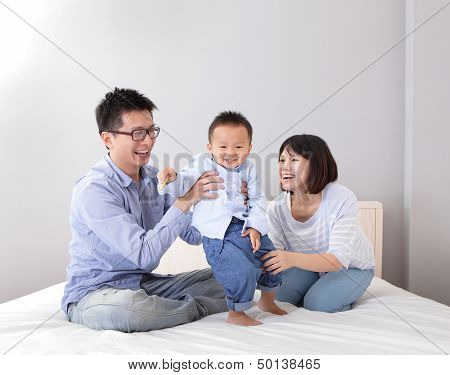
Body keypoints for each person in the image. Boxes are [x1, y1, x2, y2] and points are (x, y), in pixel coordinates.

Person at [61, 88, 239, 332]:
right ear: (108, 139)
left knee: (232, 276)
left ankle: (166, 307)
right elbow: (144, 254)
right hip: (96, 293)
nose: (147, 141)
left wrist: (226, 206)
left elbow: (193, 235)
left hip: (143, 284)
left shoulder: (155, 179)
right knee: (129, 309)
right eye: (137, 133)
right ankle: (195, 308)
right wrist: (186, 200)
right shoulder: (94, 190)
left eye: (150, 131)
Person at [159, 111, 286, 326]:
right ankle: (236, 313)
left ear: (249, 148)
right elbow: (186, 180)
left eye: (238, 147)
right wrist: (174, 179)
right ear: (210, 148)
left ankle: (267, 301)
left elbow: (257, 199)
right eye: (223, 146)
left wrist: (255, 227)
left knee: (272, 259)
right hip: (218, 234)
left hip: (246, 225)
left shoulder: (250, 169)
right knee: (240, 270)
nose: (230, 152)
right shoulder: (203, 163)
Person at [262, 134, 375, 313]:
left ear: (316, 165)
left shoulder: (341, 199)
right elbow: (276, 254)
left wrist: (289, 258)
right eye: (282, 160)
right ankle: (316, 285)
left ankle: (330, 295)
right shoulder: (276, 208)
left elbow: (337, 260)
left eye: (294, 160)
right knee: (276, 298)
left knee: (317, 305)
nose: (284, 166)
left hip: (351, 268)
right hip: (307, 267)